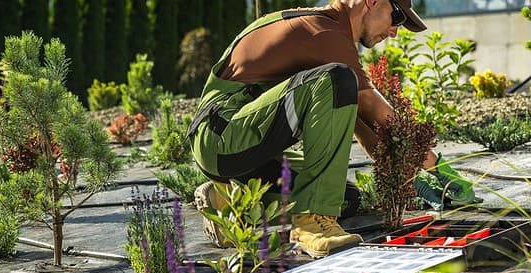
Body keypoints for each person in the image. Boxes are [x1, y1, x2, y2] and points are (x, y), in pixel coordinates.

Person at [188, 0, 479, 258]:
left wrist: (406, 176)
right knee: (338, 79)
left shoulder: (328, 37)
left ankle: (231, 205)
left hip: (245, 147)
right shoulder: (322, 31)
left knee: (344, 197)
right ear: (371, 2)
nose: (394, 32)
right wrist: (437, 167)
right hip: (221, 137)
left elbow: (362, 126)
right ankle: (311, 223)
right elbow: (374, 109)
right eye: (397, 17)